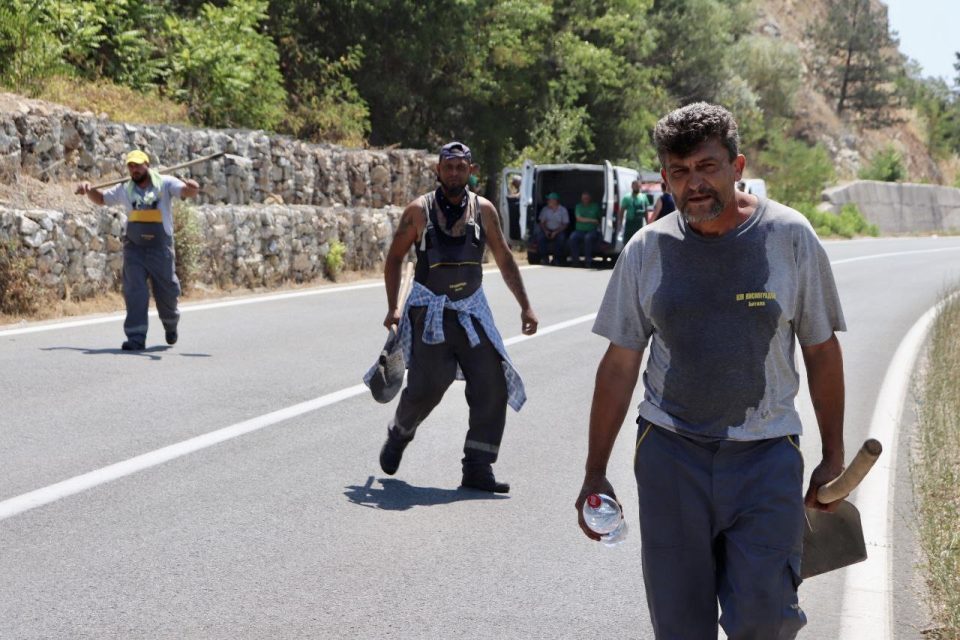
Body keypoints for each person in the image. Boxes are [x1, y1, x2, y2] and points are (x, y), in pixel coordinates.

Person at [575, 103, 847, 639]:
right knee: (681, 626)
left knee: (767, 620)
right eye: (679, 172)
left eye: (707, 166)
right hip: (671, 454)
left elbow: (820, 350)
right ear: (665, 176)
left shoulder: (790, 238)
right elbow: (619, 365)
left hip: (767, 454)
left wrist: (834, 454)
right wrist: (594, 469)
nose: (693, 184)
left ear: (737, 165)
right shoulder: (647, 250)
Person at [374, 141, 538, 493]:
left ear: (470, 170)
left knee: (492, 383)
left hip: (471, 309)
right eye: (448, 166)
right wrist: (393, 306)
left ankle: (478, 467)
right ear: (438, 169)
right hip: (430, 309)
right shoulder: (419, 212)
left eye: (460, 167)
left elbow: (506, 259)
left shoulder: (485, 210)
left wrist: (525, 305)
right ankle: (399, 433)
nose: (453, 172)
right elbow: (395, 259)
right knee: (427, 387)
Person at [75, 150, 200, 351]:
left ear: (147, 165)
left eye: (138, 165)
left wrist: (192, 188)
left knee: (167, 291)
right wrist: (88, 190)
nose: (134, 169)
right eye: (131, 166)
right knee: (135, 292)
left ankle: (170, 323)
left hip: (160, 249)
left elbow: (186, 191)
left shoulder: (166, 183)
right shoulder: (125, 188)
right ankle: (136, 337)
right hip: (135, 248)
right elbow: (101, 199)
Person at [567, 191, 602, 267]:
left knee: (588, 238)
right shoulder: (578, 206)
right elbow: (579, 219)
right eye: (583, 198)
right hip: (580, 230)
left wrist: (597, 222)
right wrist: (593, 220)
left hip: (592, 230)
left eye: (586, 198)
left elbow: (600, 218)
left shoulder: (595, 206)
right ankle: (575, 261)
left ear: (590, 199)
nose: (585, 200)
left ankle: (588, 262)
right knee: (572, 238)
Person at [534, 192, 569, 264]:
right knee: (540, 238)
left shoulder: (563, 210)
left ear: (555, 201)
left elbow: (565, 224)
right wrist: (546, 231)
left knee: (561, 239)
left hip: (559, 230)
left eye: (549, 200)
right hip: (547, 229)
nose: (548, 201)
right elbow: (541, 223)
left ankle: (556, 258)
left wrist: (556, 232)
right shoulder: (545, 209)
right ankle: (544, 258)